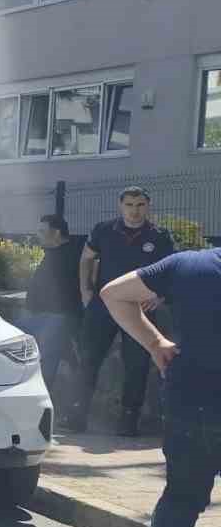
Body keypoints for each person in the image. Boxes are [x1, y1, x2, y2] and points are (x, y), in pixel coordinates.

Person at [99, 246, 221, 527]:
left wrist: (154, 343)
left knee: (182, 496)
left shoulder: (189, 265)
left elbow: (113, 293)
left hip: (192, 401)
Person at [58, 186, 175, 436]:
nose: (135, 210)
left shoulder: (160, 236)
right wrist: (85, 291)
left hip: (140, 309)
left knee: (137, 366)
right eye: (130, 205)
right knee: (89, 359)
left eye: (140, 204)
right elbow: (86, 259)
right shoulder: (104, 230)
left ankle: (128, 421)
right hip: (103, 306)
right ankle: (75, 416)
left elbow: (170, 270)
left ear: (148, 206)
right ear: (120, 206)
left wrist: (159, 295)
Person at [17, 215, 83, 394]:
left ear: (56, 233)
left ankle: (40, 396)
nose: (38, 235)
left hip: (56, 315)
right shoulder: (53, 251)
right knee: (24, 355)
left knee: (47, 358)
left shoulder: (74, 253)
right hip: (35, 312)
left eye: (42, 231)